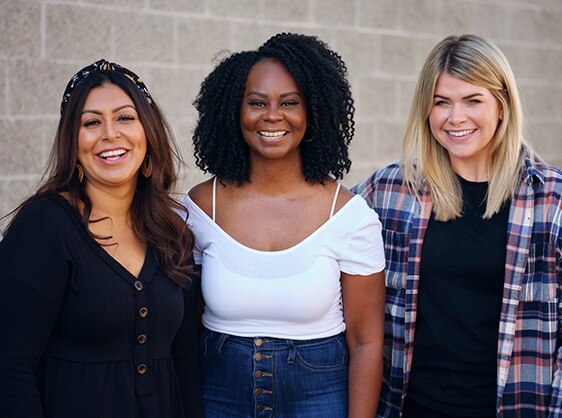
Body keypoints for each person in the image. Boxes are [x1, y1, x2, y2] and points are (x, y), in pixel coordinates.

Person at [353, 34, 562, 417]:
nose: (456, 117)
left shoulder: (552, 202)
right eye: (441, 102)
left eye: (473, 101)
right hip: (410, 409)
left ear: (502, 106)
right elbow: (317, 232)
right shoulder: (390, 191)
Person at [182, 33, 386, 418]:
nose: (272, 115)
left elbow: (366, 342)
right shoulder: (198, 209)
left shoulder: (348, 216)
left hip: (319, 396)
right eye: (256, 103)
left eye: (289, 103)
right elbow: (182, 330)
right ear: (233, 112)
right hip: (216, 394)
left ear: (313, 113)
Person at [0, 60, 203, 417]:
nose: (110, 134)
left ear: (148, 131)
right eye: (91, 122)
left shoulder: (174, 233)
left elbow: (185, 361)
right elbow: (10, 366)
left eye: (125, 117)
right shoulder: (44, 227)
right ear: (73, 143)